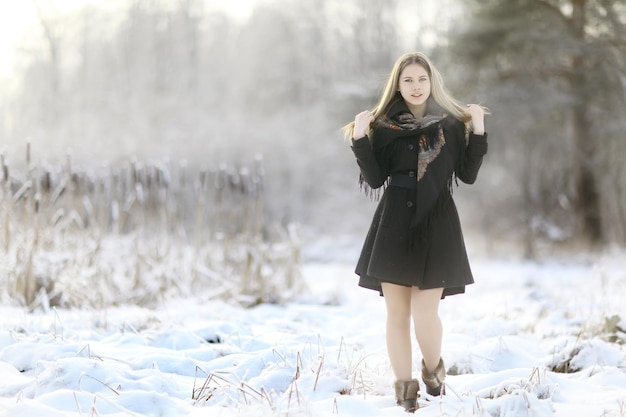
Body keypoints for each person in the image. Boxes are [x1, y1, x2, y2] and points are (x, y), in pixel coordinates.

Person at [344, 52, 489, 412]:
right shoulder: (383, 126)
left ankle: (432, 369)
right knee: (397, 313)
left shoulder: (452, 126)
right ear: (398, 85)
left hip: (437, 221)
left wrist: (479, 129)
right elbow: (376, 179)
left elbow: (468, 175)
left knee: (426, 312)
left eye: (421, 79)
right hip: (394, 221)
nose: (415, 86)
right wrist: (360, 138)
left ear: (431, 82)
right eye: (407, 80)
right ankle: (405, 390)